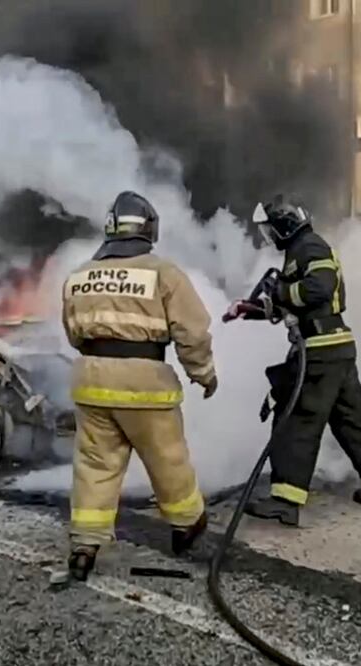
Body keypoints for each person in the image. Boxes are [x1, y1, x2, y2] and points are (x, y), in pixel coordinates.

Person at [61, 190, 218, 581]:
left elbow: (73, 334)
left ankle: (84, 546)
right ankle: (186, 527)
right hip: (144, 383)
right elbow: (192, 332)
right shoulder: (163, 273)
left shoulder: (80, 275)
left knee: (95, 466)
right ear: (149, 230)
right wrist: (203, 374)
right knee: (166, 458)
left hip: (91, 381)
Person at [224, 196, 361, 527]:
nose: (269, 236)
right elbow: (298, 304)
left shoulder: (309, 247)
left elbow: (319, 288)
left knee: (296, 418)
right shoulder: (302, 249)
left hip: (320, 350)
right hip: (335, 346)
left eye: (271, 230)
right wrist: (250, 310)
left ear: (285, 226)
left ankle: (285, 501)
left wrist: (278, 293)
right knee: (352, 418)